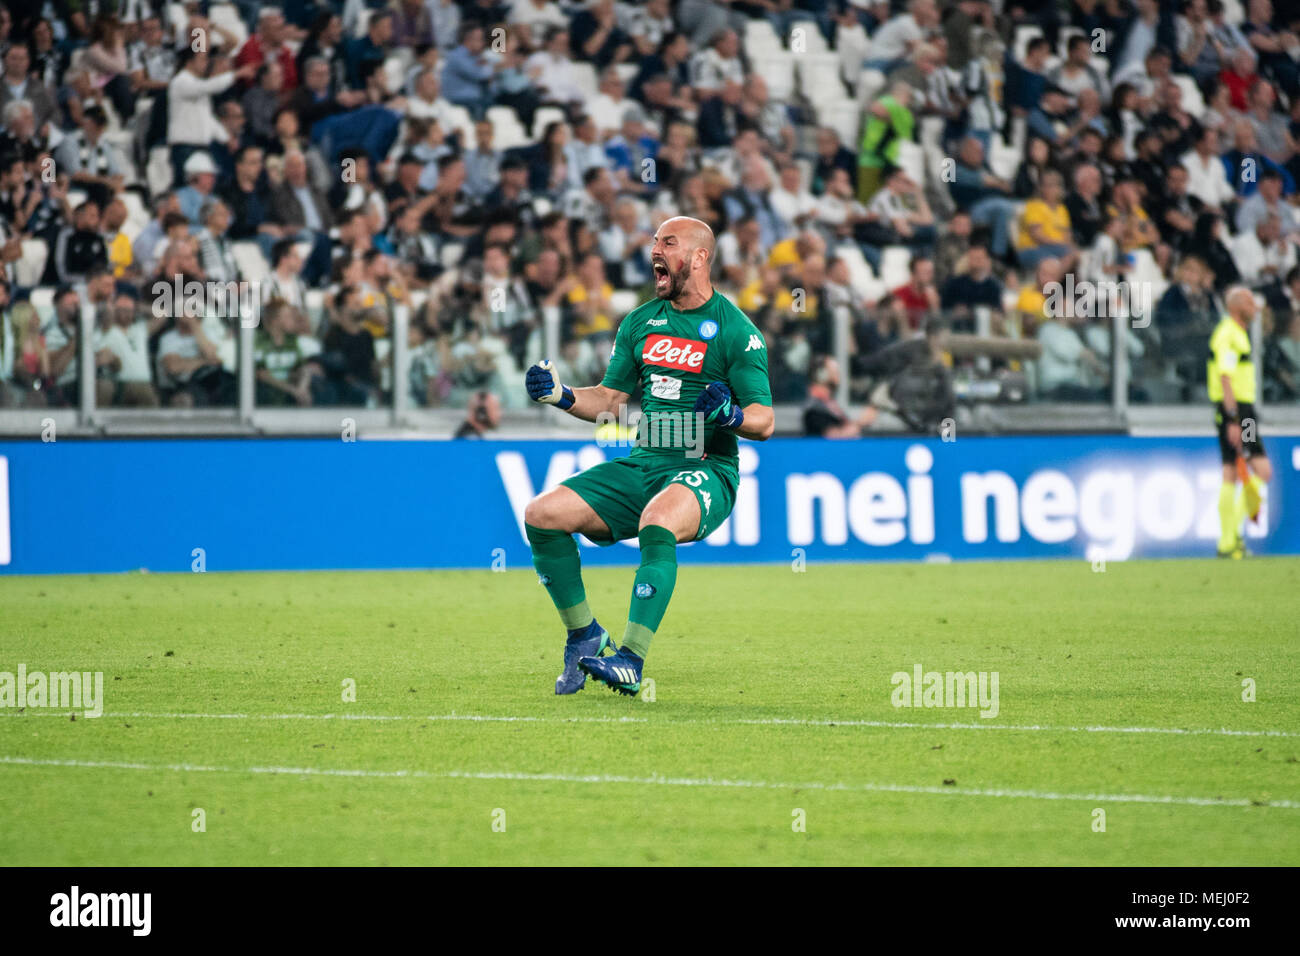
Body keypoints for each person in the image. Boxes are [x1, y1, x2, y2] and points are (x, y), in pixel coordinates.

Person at [522, 216, 774, 696]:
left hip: (706, 469)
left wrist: (730, 416)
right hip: (644, 463)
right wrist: (560, 394)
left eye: (668, 242)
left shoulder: (736, 331)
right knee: (542, 514)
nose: (654, 249)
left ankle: (631, 660)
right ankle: (584, 636)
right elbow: (610, 404)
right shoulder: (639, 322)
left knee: (657, 520)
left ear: (699, 257)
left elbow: (764, 420)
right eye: (654, 241)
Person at [1209, 286, 1273, 558]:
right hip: (1238, 411)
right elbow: (1225, 377)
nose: (1256, 307)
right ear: (1236, 306)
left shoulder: (1233, 332)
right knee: (1262, 470)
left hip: (1232, 410)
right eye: (1250, 302)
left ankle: (1227, 542)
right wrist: (1234, 418)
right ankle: (1232, 535)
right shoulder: (1229, 335)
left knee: (1230, 473)